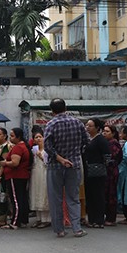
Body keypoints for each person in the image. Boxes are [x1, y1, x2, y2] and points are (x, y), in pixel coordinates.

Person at [43, 98, 90, 238]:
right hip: (74, 164)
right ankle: (77, 229)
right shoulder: (77, 122)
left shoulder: (51, 124)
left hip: (55, 165)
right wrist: (75, 153)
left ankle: (60, 230)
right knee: (73, 197)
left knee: (55, 198)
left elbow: (48, 147)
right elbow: (87, 141)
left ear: (52, 111)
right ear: (66, 108)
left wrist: (61, 159)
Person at [0, 127, 31, 230]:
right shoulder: (23, 146)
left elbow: (15, 163)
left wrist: (5, 163)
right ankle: (23, 220)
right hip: (21, 176)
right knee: (22, 198)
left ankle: (15, 222)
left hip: (15, 176)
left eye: (12, 136)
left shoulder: (18, 148)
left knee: (16, 199)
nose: (10, 138)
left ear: (18, 137)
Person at [83, 118, 110, 228]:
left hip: (98, 172)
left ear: (97, 128)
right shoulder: (88, 139)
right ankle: (92, 219)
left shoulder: (101, 140)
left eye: (90, 126)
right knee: (90, 196)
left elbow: (107, 156)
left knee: (98, 195)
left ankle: (99, 220)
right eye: (87, 125)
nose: (87, 128)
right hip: (88, 171)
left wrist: (102, 166)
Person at [29, 130, 50, 229]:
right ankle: (38, 219)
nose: (38, 139)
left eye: (40, 137)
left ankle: (46, 219)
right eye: (36, 137)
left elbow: (48, 163)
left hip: (44, 173)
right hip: (35, 174)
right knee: (35, 194)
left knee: (44, 194)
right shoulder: (33, 150)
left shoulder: (47, 150)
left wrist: (40, 156)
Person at [102, 124, 122, 226]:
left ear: (113, 133)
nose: (104, 133)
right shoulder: (106, 143)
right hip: (107, 172)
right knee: (106, 194)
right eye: (104, 131)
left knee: (111, 194)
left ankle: (111, 218)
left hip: (111, 172)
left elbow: (113, 158)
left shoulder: (114, 144)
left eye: (107, 131)